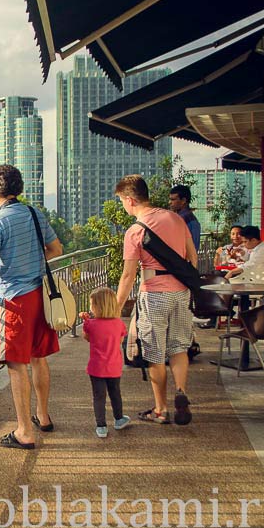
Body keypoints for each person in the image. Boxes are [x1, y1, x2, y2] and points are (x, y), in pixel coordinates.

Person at [0, 164, 62, 450]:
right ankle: (43, 416)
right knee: (39, 357)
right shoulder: (34, 213)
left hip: (15, 299)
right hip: (40, 293)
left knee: (16, 365)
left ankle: (24, 431)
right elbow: (56, 249)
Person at [115, 175, 198, 426]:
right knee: (179, 347)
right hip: (181, 292)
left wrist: (116, 309)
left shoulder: (135, 231)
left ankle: (160, 409)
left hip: (154, 295)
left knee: (154, 352)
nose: (123, 206)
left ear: (130, 200)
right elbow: (192, 258)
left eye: (121, 202)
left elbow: (128, 275)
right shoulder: (176, 218)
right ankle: (181, 391)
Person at [78, 288, 130, 438]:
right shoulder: (119, 324)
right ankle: (119, 419)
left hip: (96, 368)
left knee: (99, 397)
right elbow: (119, 340)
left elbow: (87, 338)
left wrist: (86, 321)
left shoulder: (91, 324)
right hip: (114, 367)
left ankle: (101, 426)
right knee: (115, 393)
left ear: (97, 307)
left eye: (92, 304)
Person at [169, 184, 201, 251]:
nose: (170, 202)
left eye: (173, 200)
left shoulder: (183, 220)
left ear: (183, 200)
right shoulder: (190, 219)